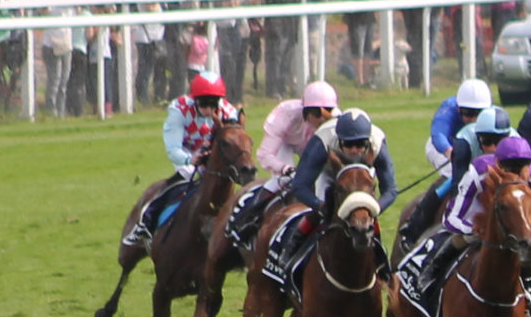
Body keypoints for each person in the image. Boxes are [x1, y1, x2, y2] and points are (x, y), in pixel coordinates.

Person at [404, 135, 531, 317]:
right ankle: (432, 270)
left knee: (528, 237)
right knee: (463, 238)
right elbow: (452, 217)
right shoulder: (478, 172)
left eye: (521, 167)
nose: (516, 173)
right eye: (509, 168)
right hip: (478, 212)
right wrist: (472, 229)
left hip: (514, 215)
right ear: (497, 163)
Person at [265, 110, 398, 290]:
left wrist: (373, 208)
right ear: (339, 140)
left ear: (368, 142)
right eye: (348, 145)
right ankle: (292, 248)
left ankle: (381, 265)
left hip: (362, 174)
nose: (354, 150)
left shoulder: (378, 143)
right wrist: (321, 206)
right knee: (322, 213)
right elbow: (300, 185)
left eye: (360, 145)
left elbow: (390, 189)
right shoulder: (322, 142)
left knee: (366, 217)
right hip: (329, 174)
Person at [125, 74, 244, 249]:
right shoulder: (179, 110)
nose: (209, 110)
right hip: (186, 151)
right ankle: (146, 222)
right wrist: (191, 158)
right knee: (185, 177)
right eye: (204, 104)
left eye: (213, 104)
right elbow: (173, 149)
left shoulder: (228, 112)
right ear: (194, 99)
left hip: (213, 153)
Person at [229, 80, 338, 253]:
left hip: (314, 146)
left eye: (326, 112)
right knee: (284, 179)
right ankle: (247, 218)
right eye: (315, 113)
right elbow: (265, 155)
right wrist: (285, 168)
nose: (320, 118)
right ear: (305, 110)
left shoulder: (336, 119)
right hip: (286, 144)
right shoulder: (285, 116)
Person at [426, 77, 493, 174]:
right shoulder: (449, 109)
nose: (474, 120)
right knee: (455, 173)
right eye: (468, 113)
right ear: (458, 109)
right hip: (443, 147)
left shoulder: (494, 114)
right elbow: (438, 134)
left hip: (474, 145)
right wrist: (450, 153)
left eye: (480, 113)